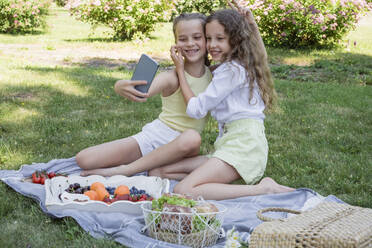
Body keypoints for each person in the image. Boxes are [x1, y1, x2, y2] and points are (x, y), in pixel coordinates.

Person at [155, 6, 294, 200]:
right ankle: (209, 183)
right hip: (231, 144)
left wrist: (180, 71)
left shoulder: (231, 71)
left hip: (244, 147)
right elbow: (261, 54)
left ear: (234, 39)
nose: (212, 45)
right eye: (209, 38)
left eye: (220, 39)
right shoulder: (237, 65)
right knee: (160, 171)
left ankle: (263, 189)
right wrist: (252, 26)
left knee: (183, 190)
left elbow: (196, 109)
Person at [77, 13, 213, 176]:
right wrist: (119, 85)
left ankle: (127, 170)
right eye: (183, 39)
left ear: (207, 40)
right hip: (156, 137)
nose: (190, 44)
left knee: (192, 137)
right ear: (176, 43)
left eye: (197, 37)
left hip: (185, 146)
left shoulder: (214, 75)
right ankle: (152, 168)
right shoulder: (171, 77)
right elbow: (142, 92)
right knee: (84, 159)